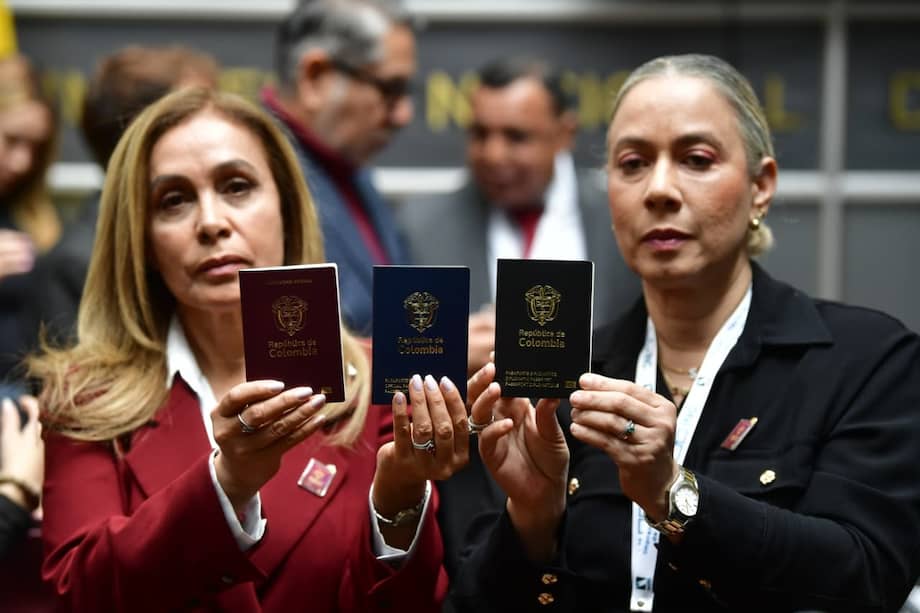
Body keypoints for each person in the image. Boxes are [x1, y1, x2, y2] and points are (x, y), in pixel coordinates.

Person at [453, 53, 920, 612]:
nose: (659, 190)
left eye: (696, 159)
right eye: (632, 164)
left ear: (761, 187)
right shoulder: (561, 379)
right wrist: (532, 519)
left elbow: (871, 573)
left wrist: (672, 493)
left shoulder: (866, 361)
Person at [28, 87, 470, 611]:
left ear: (286, 207)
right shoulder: (86, 395)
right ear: (141, 239)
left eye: (237, 187)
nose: (211, 222)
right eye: (174, 200)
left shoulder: (376, 379)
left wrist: (398, 494)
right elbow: (78, 594)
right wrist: (226, 484)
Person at [398, 56, 639, 377]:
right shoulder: (421, 227)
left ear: (565, 133)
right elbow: (398, 355)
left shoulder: (621, 218)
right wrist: (445, 351)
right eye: (480, 134)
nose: (494, 155)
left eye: (516, 137)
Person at [27, 44, 219, 345]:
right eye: (190, 115)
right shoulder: (76, 264)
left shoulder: (225, 231)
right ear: (138, 133)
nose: (217, 126)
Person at [262, 0, 415, 336]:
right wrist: (435, 349)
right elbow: (291, 343)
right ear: (314, 77)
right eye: (391, 89)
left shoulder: (349, 161)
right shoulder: (253, 175)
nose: (404, 115)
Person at [0, 54, 59, 396]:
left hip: (31, 395)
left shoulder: (31, 213)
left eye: (35, 148)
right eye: (11, 140)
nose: (23, 162)